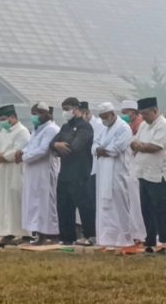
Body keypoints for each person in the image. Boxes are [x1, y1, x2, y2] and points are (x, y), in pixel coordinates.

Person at [50, 97, 95, 245]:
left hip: (80, 173)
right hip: (64, 173)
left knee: (84, 206)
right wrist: (57, 144)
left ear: (76, 109)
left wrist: (62, 145)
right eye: (63, 109)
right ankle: (67, 237)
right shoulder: (65, 127)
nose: (65, 112)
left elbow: (75, 147)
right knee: (64, 207)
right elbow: (51, 144)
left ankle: (89, 236)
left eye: (67, 109)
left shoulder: (85, 127)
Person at [16, 102, 60, 245]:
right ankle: (38, 233)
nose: (34, 117)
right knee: (34, 202)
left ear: (46, 114)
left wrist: (24, 157)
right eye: (33, 113)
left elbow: (43, 150)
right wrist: (22, 152)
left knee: (44, 202)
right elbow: (30, 146)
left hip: (44, 171)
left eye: (37, 114)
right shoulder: (37, 129)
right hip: (32, 170)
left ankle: (48, 235)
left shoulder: (51, 129)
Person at [92, 102, 133, 248]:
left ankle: (123, 239)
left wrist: (102, 150)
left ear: (112, 114)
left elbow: (117, 148)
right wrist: (99, 149)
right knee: (104, 206)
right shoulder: (103, 128)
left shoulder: (123, 128)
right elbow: (95, 144)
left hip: (117, 172)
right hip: (103, 171)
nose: (103, 120)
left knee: (119, 205)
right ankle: (106, 239)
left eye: (105, 117)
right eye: (101, 117)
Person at [0, 105, 30, 243]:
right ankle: (8, 231)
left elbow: (18, 150)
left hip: (15, 170)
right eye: (0, 119)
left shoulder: (22, 132)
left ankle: (23, 232)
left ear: (13, 117)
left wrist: (3, 157)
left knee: (15, 200)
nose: (2, 122)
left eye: (4, 119)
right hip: (2, 171)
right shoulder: (3, 132)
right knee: (3, 201)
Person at [130, 97, 166, 252]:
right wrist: (138, 145)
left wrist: (140, 146)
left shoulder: (163, 125)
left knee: (160, 210)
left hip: (157, 175)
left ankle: (164, 242)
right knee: (146, 209)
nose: (143, 117)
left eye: (145, 113)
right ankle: (150, 240)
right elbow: (133, 142)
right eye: (141, 114)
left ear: (155, 111)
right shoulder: (143, 125)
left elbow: (155, 147)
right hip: (142, 173)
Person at [120, 100, 146, 243]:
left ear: (135, 112)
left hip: (139, 168)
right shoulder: (128, 126)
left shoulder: (141, 125)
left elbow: (137, 146)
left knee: (138, 202)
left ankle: (141, 233)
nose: (124, 115)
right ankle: (135, 232)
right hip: (130, 168)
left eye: (127, 113)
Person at [80, 101, 104, 246]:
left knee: (94, 202)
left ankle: (97, 234)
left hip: (95, 168)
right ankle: (89, 234)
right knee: (86, 203)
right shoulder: (80, 126)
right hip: (83, 168)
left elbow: (98, 146)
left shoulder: (99, 125)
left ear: (87, 112)